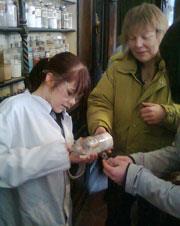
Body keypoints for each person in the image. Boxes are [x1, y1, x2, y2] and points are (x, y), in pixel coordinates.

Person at [87, 3, 180, 226]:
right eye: (131, 38)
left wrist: (165, 114)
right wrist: (101, 127)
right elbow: (100, 101)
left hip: (158, 170)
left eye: (145, 37)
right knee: (116, 216)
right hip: (120, 159)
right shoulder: (117, 68)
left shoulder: (175, 67)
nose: (137, 44)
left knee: (151, 218)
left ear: (161, 34)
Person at [0, 52, 97, 226]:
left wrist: (78, 157)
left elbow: (60, 165)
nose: (72, 102)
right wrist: (61, 155)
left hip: (58, 210)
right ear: (50, 79)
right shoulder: (13, 109)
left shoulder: (63, 116)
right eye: (69, 93)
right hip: (27, 213)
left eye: (77, 97)